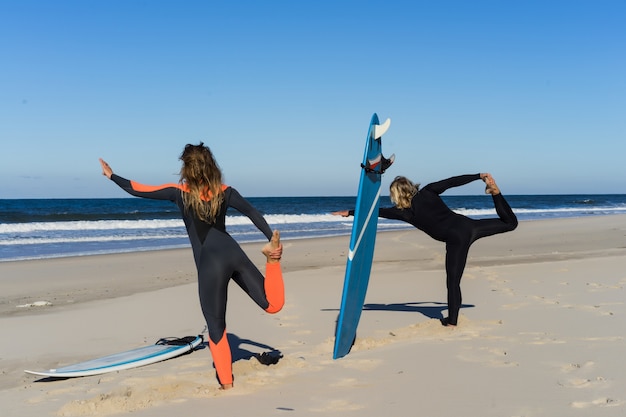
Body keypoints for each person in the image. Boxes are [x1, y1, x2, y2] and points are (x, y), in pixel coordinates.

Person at [99, 143, 284, 390]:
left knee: (217, 326)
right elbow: (252, 212)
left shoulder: (180, 193)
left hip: (211, 264)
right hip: (233, 253)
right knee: (272, 304)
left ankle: (227, 384)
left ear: (187, 169)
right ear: (212, 166)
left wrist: (112, 176)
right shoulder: (226, 191)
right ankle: (272, 261)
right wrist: (271, 238)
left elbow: (138, 189)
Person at [333, 173, 517, 327]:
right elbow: (453, 182)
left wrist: (350, 212)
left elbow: (375, 212)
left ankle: (452, 321)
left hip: (456, 239)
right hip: (468, 226)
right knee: (510, 223)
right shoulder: (428, 191)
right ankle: (495, 193)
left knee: (453, 281)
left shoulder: (403, 212)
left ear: (396, 195)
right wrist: (478, 176)